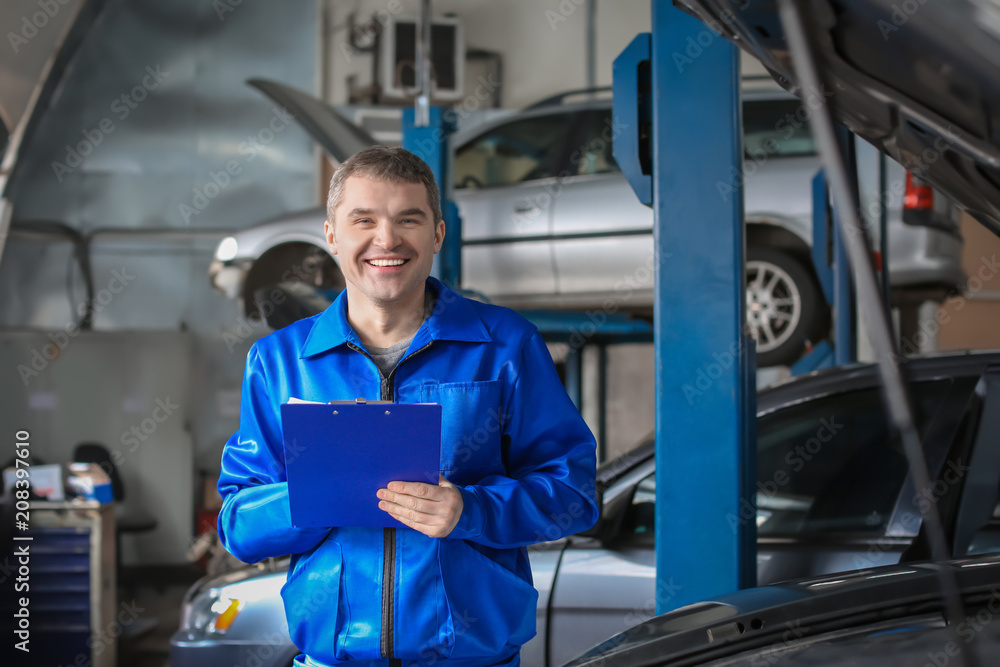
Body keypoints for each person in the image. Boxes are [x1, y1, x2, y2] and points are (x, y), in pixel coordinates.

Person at [217, 146, 598, 667]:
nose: (387, 239)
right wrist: (315, 495)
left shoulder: (505, 346)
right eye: (363, 220)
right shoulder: (278, 362)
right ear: (331, 234)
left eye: (408, 220)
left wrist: (471, 510)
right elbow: (239, 525)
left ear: (437, 235)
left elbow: (573, 495)